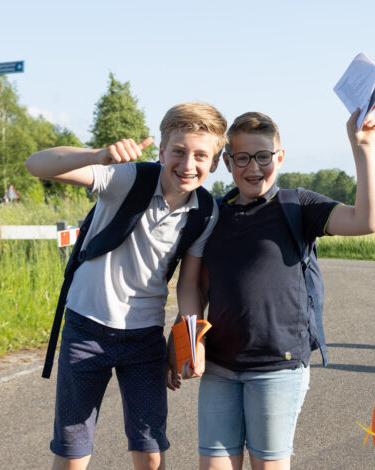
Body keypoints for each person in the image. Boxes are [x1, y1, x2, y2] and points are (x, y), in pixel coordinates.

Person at [172, 108, 375, 470]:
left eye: (263, 156)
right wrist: (189, 340)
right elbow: (191, 285)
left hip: (277, 368)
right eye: (242, 158)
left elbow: (367, 220)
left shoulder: (298, 206)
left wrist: (363, 147)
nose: (253, 167)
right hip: (220, 367)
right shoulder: (212, 214)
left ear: (280, 157)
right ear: (228, 162)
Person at [25, 102, 227, 470]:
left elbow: (188, 285)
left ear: (214, 163)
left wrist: (188, 340)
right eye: (178, 151)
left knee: (150, 451)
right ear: (161, 151)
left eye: (201, 155)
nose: (188, 164)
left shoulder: (206, 212)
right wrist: (99, 156)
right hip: (86, 329)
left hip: (144, 338)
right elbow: (36, 164)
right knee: (72, 451)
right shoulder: (127, 178)